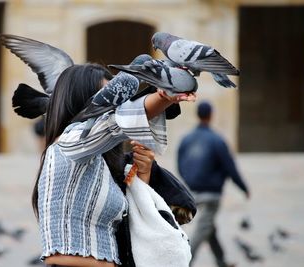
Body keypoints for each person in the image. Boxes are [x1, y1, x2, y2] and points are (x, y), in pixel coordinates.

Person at [33, 63, 196, 267]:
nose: (115, 106)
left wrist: (141, 176)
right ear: (81, 102)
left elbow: (132, 230)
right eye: (108, 99)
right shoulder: (67, 144)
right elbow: (115, 124)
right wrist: (164, 96)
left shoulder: (100, 162)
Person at [177, 101, 250, 267]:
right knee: (203, 229)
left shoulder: (187, 139)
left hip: (193, 191)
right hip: (211, 195)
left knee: (209, 228)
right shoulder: (218, 140)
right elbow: (230, 167)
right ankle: (185, 261)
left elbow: (180, 164)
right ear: (211, 115)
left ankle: (221, 261)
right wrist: (243, 188)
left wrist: (189, 181)